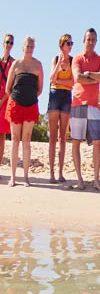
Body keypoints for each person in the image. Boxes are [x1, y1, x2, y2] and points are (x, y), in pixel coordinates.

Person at [70, 28, 100, 190]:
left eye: (93, 39)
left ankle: (96, 180)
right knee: (76, 142)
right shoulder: (77, 58)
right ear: (84, 41)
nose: (90, 42)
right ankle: (79, 179)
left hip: (93, 106)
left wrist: (89, 74)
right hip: (78, 104)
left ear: (96, 41)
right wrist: (94, 77)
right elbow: (78, 77)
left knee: (97, 143)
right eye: (88, 39)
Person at [4, 36, 42, 186]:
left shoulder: (38, 65)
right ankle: (13, 176)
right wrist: (17, 98)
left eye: (32, 46)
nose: (29, 48)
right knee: (14, 139)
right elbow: (8, 88)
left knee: (26, 140)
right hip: (15, 104)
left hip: (31, 104)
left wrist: (29, 97)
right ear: (22, 47)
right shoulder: (16, 64)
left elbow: (39, 89)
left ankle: (26, 176)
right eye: (27, 46)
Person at [46, 34, 75, 184]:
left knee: (62, 137)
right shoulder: (55, 59)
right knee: (53, 136)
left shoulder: (72, 60)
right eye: (67, 43)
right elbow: (51, 77)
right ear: (61, 45)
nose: (70, 45)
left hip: (66, 96)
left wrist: (58, 80)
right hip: (54, 95)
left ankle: (60, 172)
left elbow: (73, 82)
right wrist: (58, 64)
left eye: (71, 43)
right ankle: (51, 172)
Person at [0, 34, 13, 171]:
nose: (9, 45)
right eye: (7, 42)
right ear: (3, 44)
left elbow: (12, 86)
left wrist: (2, 100)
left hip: (5, 100)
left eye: (11, 43)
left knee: (1, 135)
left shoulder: (13, 62)